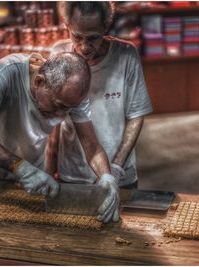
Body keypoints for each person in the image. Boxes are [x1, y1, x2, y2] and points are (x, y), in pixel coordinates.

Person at [0, 52, 120, 223]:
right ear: (39, 82)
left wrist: (107, 177)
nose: (61, 114)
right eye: (58, 105)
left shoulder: (72, 96)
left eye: (67, 109)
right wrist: (20, 167)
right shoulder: (6, 72)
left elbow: (91, 146)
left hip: (32, 181)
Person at [46, 2, 153, 206]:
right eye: (77, 36)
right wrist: (49, 171)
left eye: (93, 37)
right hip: (73, 174)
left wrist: (116, 168)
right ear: (66, 25)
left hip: (119, 174)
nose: (84, 47)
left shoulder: (126, 56)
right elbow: (54, 120)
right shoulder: (59, 54)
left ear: (106, 27)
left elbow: (136, 115)